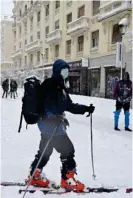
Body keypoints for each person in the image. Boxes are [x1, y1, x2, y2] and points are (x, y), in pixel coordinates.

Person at [27, 59, 95, 191]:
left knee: (45, 151)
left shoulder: (61, 87)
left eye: (67, 70)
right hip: (51, 126)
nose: (66, 72)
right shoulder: (50, 84)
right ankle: (67, 180)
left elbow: (69, 105)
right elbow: (46, 106)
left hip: (51, 126)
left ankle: (34, 174)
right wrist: (53, 116)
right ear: (57, 71)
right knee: (68, 150)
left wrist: (86, 108)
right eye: (64, 70)